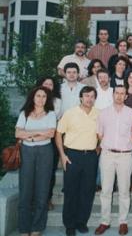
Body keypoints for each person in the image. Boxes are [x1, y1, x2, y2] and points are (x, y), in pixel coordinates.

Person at [94, 85, 132, 235]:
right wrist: (109, 144)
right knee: (106, 190)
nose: (119, 96)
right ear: (113, 94)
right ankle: (104, 221)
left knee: (123, 190)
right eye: (117, 93)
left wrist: (127, 143)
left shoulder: (131, 113)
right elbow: (99, 133)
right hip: (107, 155)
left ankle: (123, 221)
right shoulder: (104, 113)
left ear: (126, 96)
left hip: (125, 156)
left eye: (122, 94)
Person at [55, 86, 99, 236]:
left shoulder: (98, 114)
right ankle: (70, 225)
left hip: (91, 157)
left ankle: (81, 222)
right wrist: (62, 155)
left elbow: (102, 134)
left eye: (92, 96)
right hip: (72, 156)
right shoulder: (70, 113)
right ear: (81, 97)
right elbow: (58, 133)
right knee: (71, 191)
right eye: (86, 95)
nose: (89, 99)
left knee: (87, 191)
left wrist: (98, 149)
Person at [16, 86, 56, 236]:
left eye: (44, 96)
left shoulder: (51, 114)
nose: (41, 99)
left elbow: (50, 134)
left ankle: (37, 227)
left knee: (42, 189)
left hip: (45, 152)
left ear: (47, 99)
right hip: (26, 152)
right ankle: (24, 228)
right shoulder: (24, 113)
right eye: (38, 96)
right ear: (33, 97)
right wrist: (39, 132)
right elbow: (18, 132)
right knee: (25, 189)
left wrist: (29, 135)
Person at [35, 77, 62, 210]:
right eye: (45, 83)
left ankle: (47, 198)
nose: (47, 86)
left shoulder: (57, 101)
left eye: (50, 84)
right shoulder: (32, 100)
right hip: (32, 139)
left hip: (50, 139)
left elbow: (51, 118)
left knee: (50, 170)